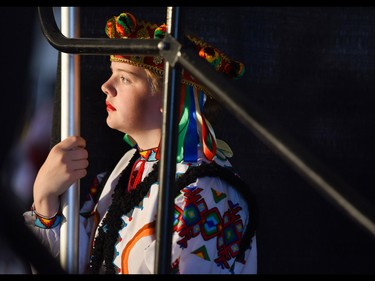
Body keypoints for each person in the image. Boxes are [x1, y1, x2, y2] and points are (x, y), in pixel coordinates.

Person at [23, 11, 258, 274]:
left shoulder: (204, 190)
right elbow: (79, 264)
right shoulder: (127, 169)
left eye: (124, 78)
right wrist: (45, 201)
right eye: (112, 73)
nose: (105, 86)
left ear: (170, 99)